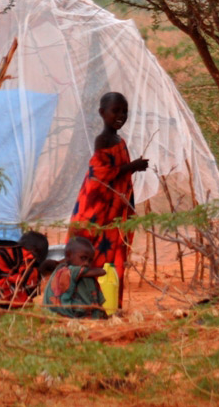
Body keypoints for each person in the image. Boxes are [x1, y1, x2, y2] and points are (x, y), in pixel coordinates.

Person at [68, 92, 149, 307]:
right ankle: (85, 302)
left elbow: (118, 177)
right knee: (90, 252)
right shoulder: (103, 140)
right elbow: (100, 175)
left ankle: (109, 304)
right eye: (116, 111)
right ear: (102, 113)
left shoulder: (119, 141)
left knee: (114, 258)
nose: (121, 115)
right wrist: (133, 167)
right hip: (98, 211)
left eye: (125, 111)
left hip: (114, 212)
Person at [43, 237, 108, 319]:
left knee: (89, 279)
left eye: (90, 260)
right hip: (64, 316)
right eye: (83, 258)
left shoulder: (79, 273)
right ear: (68, 256)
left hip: (71, 315)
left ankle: (98, 315)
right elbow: (102, 272)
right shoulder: (65, 271)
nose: (86, 263)